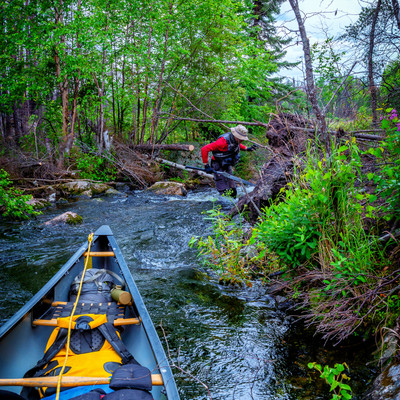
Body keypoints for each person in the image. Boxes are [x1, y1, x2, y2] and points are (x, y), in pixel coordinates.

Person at [201, 124, 257, 198]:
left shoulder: (235, 140)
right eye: (241, 138)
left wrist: (247, 148)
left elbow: (236, 145)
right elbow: (204, 149)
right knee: (223, 189)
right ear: (236, 136)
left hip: (226, 164)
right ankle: (223, 205)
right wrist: (206, 165)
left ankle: (233, 203)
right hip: (217, 164)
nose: (242, 140)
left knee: (232, 189)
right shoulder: (222, 142)